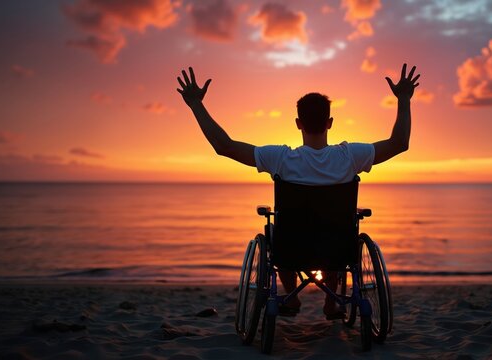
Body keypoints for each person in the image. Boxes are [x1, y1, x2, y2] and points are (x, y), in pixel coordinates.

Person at [176, 63, 420, 319]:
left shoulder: (280, 158)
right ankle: (330, 301)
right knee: (341, 230)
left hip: (290, 248)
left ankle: (291, 299)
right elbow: (399, 143)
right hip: (337, 248)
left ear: (297, 123)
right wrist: (404, 99)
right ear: (330, 122)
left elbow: (223, 146)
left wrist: (195, 104)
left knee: (279, 231)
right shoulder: (350, 156)